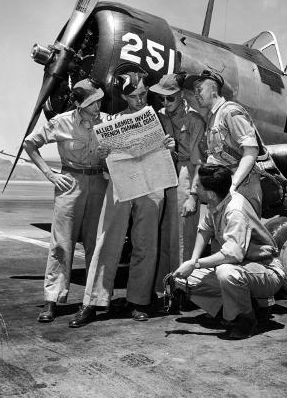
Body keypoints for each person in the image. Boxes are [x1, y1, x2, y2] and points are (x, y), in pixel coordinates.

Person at [69, 64, 175, 327]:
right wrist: (104, 156)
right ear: (124, 97)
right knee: (107, 241)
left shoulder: (159, 120)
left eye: (142, 95)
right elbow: (105, 164)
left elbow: (167, 158)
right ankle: (92, 302)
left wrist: (169, 148)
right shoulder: (112, 122)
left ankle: (138, 301)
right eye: (133, 96)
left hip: (151, 187)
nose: (139, 100)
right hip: (121, 185)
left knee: (146, 243)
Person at [23, 78, 108, 323]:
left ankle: (92, 301)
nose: (97, 106)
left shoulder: (108, 120)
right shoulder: (61, 122)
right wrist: (50, 174)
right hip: (70, 183)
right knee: (61, 243)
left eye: (99, 100)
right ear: (80, 104)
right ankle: (52, 301)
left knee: (97, 245)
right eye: (92, 103)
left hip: (100, 184)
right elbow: (30, 143)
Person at [173, 164, 285, 339]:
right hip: (242, 266)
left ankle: (246, 319)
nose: (195, 189)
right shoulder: (217, 200)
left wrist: (195, 264)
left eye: (198, 187)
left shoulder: (235, 211)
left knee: (227, 273)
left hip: (265, 269)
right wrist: (192, 261)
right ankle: (240, 307)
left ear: (210, 193)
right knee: (181, 279)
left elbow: (232, 255)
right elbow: (205, 229)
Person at [149, 74, 206, 288]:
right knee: (165, 235)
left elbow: (199, 162)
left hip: (186, 175)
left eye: (170, 98)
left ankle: (182, 289)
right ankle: (163, 287)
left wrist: (193, 195)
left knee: (184, 237)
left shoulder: (194, 120)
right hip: (164, 176)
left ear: (181, 95)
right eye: (161, 99)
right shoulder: (161, 116)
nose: (165, 104)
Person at [193, 69, 262, 216]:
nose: (196, 94)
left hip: (242, 186)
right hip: (225, 188)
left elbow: (251, 150)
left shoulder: (229, 111)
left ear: (213, 89)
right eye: (194, 91)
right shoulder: (212, 117)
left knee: (240, 236)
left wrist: (233, 185)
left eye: (199, 89)